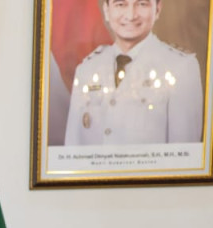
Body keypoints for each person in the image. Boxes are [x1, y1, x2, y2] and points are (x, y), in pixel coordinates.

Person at [64, 0, 203, 146]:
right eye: (120, 5)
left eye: (142, 4)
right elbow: (73, 148)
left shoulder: (181, 67)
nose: (130, 16)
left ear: (157, 9)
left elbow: (184, 157)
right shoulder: (87, 69)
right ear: (106, 10)